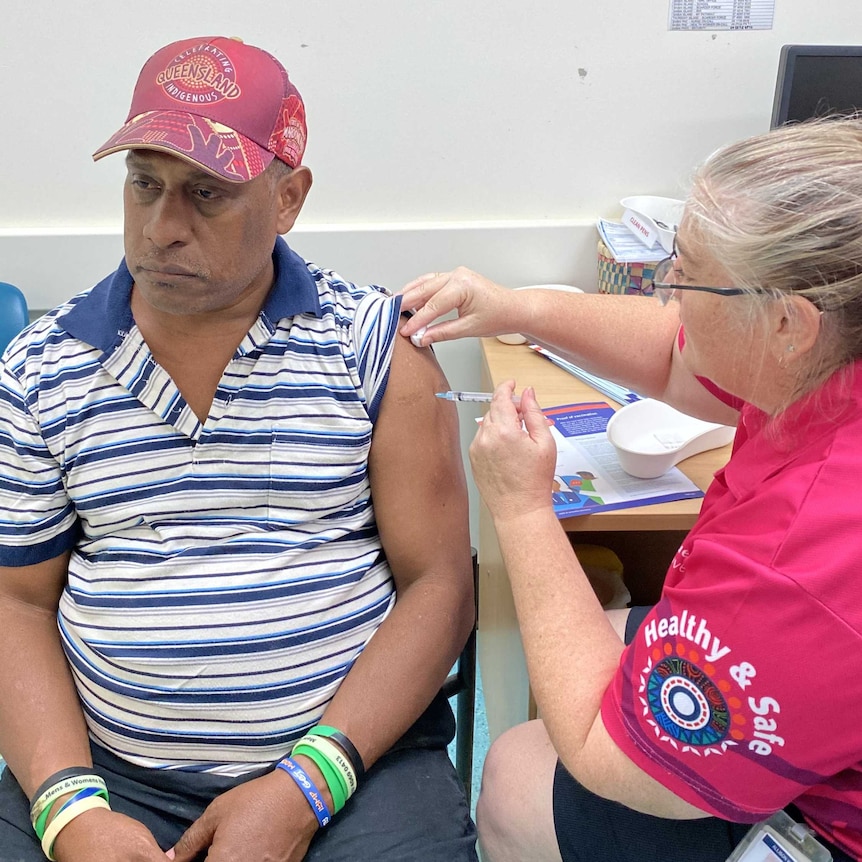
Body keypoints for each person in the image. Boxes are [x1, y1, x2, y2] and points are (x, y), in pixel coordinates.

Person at [0, 36, 477, 862]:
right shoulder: (42, 372)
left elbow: (439, 583)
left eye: (206, 195)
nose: (162, 228)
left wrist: (306, 786)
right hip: (109, 769)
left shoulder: (375, 348)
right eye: (143, 185)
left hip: (352, 759)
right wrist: (69, 810)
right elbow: (17, 605)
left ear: (289, 197)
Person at [400, 117, 862, 862]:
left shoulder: (801, 557)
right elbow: (681, 361)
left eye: (688, 273)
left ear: (789, 323)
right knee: (598, 641)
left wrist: (521, 508)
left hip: (834, 822)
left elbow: (600, 750)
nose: (667, 289)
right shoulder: (826, 355)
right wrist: (520, 307)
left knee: (517, 774)